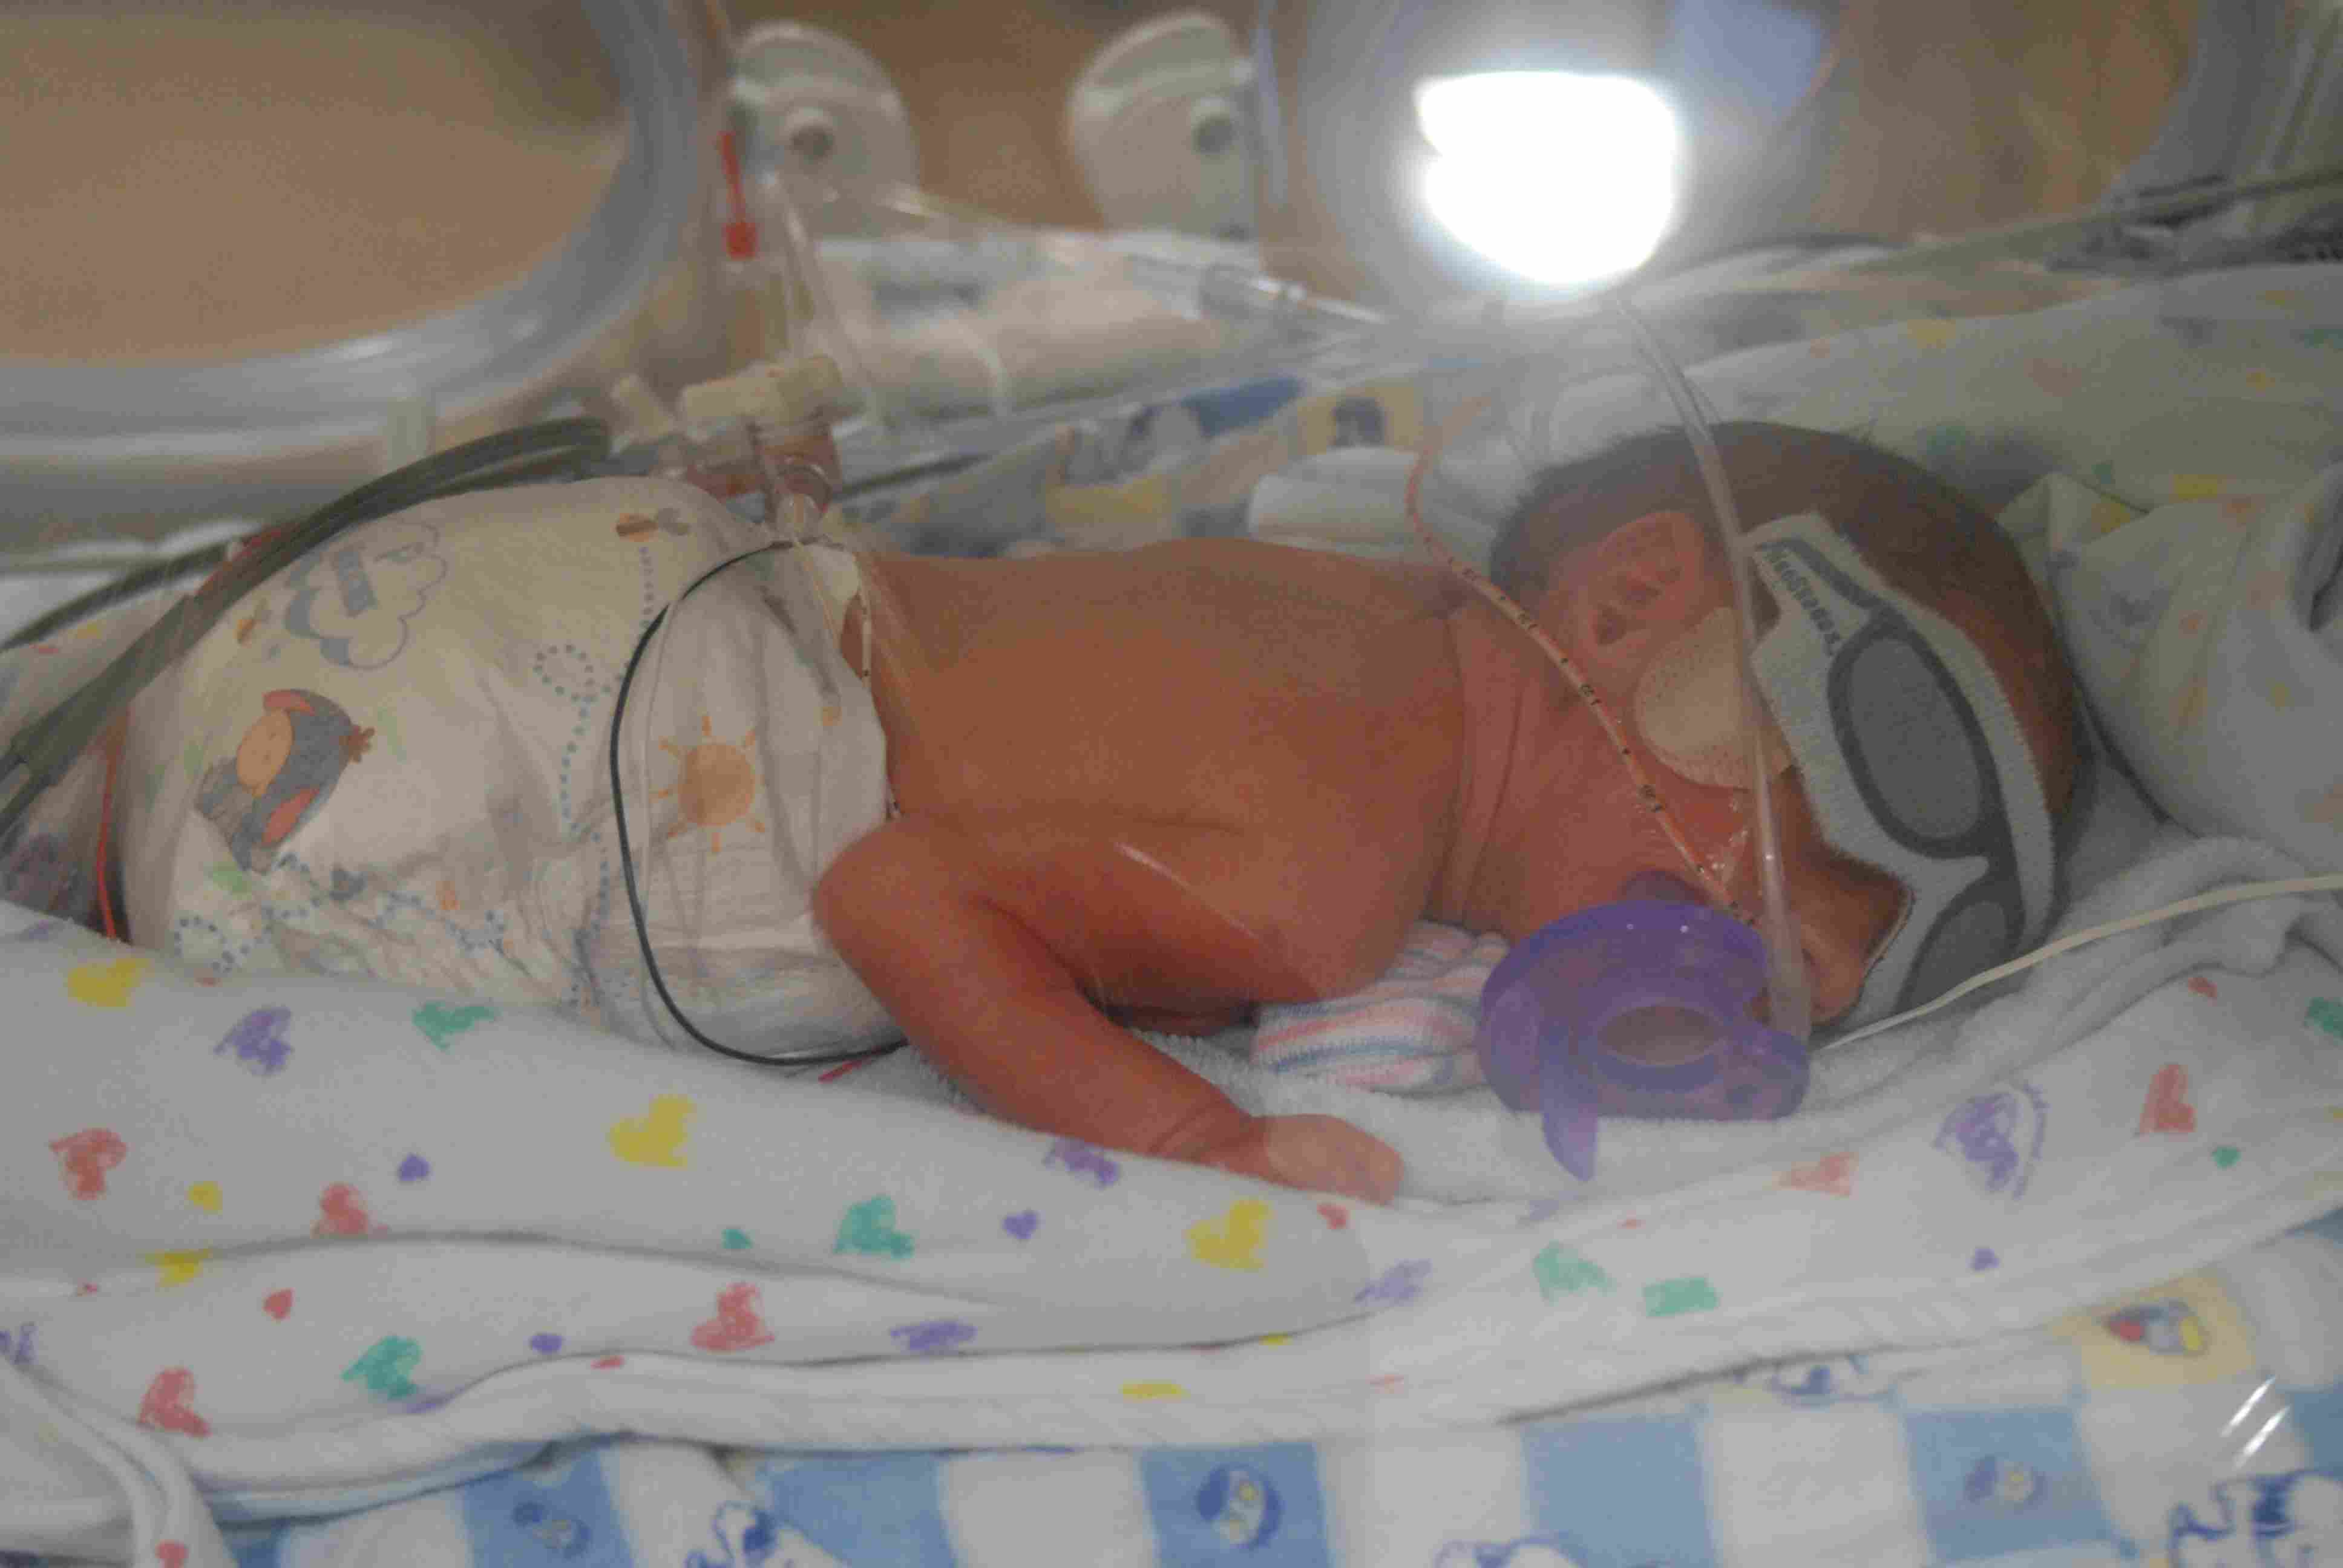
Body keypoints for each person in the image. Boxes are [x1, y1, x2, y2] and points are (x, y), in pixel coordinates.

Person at [814, 419, 2080, 1204]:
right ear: (1628, 605)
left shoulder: (1369, 615)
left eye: (1904, 947)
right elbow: (894, 895)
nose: (1829, 972)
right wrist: (1194, 1144)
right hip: (726, 720)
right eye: (1845, 821)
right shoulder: (1328, 875)